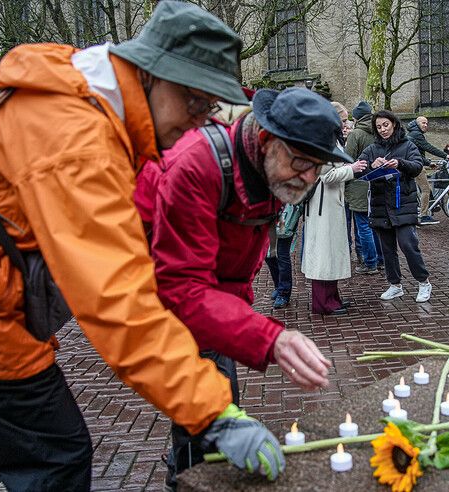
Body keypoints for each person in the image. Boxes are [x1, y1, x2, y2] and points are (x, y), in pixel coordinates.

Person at [0, 3, 287, 490]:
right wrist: (213, 411)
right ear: (150, 76)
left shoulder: (77, 99)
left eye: (210, 109)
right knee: (56, 458)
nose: (199, 121)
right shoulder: (80, 141)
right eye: (195, 103)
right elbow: (117, 299)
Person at [137, 87, 345, 486]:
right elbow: (181, 288)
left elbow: (233, 270)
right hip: (155, 296)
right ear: (266, 140)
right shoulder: (196, 165)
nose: (308, 178)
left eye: (318, 166)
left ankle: (190, 466)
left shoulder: (273, 169)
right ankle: (188, 476)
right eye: (301, 161)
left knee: (215, 405)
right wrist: (269, 339)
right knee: (207, 416)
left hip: (210, 302)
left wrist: (240, 324)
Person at [358, 110, 433, 303]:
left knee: (408, 244)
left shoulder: (408, 145)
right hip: (381, 205)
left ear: (394, 124)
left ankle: (423, 282)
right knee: (387, 248)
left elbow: (417, 166)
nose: (383, 130)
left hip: (402, 203)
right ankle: (395, 285)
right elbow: (358, 167)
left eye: (386, 125)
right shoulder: (372, 148)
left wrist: (399, 163)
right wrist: (371, 166)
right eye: (379, 127)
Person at [301, 102, 367, 314]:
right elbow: (327, 176)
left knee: (330, 252)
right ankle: (322, 302)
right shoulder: (323, 141)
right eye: (344, 119)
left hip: (329, 203)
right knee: (324, 253)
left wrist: (348, 168)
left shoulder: (327, 140)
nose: (346, 124)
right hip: (324, 205)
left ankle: (332, 297)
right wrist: (352, 169)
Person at [345, 101, 384, 275]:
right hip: (377, 183)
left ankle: (370, 263)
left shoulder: (356, 134)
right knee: (376, 225)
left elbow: (348, 160)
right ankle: (381, 260)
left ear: (356, 117)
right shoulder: (379, 132)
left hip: (359, 186)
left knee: (363, 226)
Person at [406, 115, 449, 225]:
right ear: (417, 124)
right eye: (423, 123)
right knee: (425, 189)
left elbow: (418, 154)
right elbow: (428, 147)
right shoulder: (417, 134)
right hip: (416, 166)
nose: (426, 125)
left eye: (427, 123)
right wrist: (445, 155)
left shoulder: (413, 133)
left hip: (414, 164)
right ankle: (424, 215)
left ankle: (425, 208)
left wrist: (429, 163)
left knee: (423, 189)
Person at [265, 202, 302, 308]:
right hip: (269, 211)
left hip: (287, 211)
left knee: (282, 254)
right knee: (268, 255)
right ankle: (278, 285)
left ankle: (284, 293)